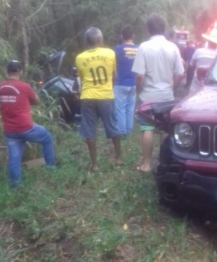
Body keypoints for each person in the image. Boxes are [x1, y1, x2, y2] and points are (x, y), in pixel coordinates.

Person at [132, 13, 184, 173]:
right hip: (166, 97)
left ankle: (146, 164)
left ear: (148, 30)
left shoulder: (144, 47)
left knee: (146, 128)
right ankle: (163, 162)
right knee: (163, 130)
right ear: (164, 29)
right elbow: (180, 73)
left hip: (148, 97)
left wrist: (138, 91)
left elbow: (140, 75)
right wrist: (171, 87)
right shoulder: (173, 47)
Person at [0, 60, 55, 187]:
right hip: (26, 127)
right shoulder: (24, 87)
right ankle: (51, 169)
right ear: (20, 71)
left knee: (14, 159)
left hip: (9, 131)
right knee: (47, 139)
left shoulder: (0, 87)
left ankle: (16, 186)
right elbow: (37, 101)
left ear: (8, 71)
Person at [75, 27, 122, 171]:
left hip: (87, 96)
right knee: (113, 126)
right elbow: (114, 76)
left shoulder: (79, 58)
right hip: (106, 96)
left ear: (88, 42)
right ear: (99, 40)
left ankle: (94, 164)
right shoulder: (110, 53)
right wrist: (108, 87)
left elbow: (82, 81)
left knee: (89, 130)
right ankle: (118, 158)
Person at [114, 25, 138, 136]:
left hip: (120, 83)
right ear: (133, 35)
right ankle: (129, 130)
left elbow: (112, 65)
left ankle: (122, 132)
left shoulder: (118, 49)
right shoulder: (139, 49)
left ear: (122, 36)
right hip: (134, 83)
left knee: (120, 109)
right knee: (130, 108)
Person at [188, 28, 217, 93]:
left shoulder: (198, 51)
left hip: (195, 87)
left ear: (208, 41)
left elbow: (191, 66)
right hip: (212, 87)